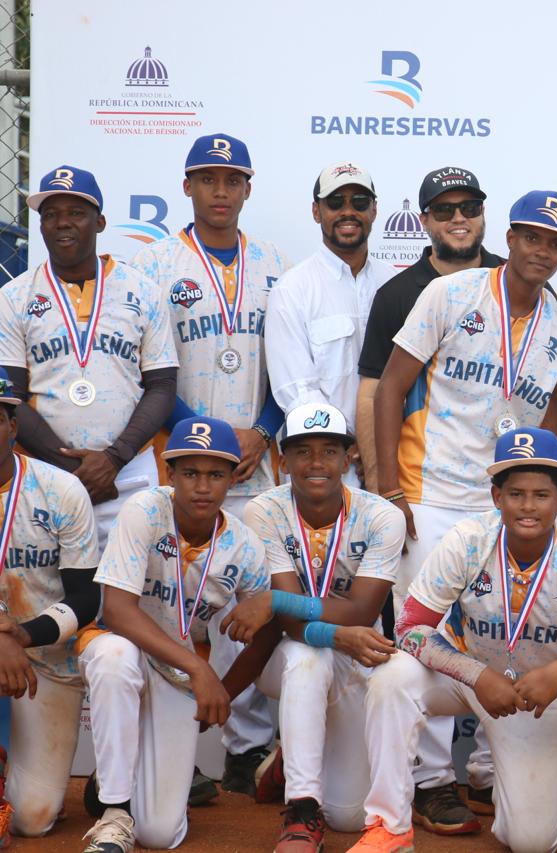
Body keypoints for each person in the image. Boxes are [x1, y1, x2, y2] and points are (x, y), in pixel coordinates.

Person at [350, 427, 557, 853]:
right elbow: (410, 627)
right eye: (515, 494)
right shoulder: (468, 539)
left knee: (531, 842)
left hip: (537, 692)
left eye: (541, 494)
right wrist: (476, 674)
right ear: (497, 497)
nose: (528, 506)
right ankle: (388, 825)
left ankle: (520, 793)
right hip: (463, 675)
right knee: (392, 677)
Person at [129, 131, 286, 798]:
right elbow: (153, 367)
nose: (220, 191)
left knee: (249, 606)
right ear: (187, 187)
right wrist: (213, 440)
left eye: (232, 179)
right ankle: (182, 750)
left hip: (259, 459)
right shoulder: (158, 264)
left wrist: (267, 430)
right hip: (190, 461)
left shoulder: (278, 264)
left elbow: (293, 364)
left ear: (248, 188)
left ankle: (249, 747)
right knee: (177, 605)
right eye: (207, 179)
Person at [216, 402, 404, 853]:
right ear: (283, 461)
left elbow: (361, 610)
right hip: (291, 656)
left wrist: (278, 600)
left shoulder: (381, 516)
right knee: (307, 656)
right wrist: (329, 631)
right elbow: (287, 625)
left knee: (349, 816)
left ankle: (292, 756)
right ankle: (301, 809)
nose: (316, 463)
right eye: (302, 451)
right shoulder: (265, 510)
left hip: (359, 656)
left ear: (349, 457)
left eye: (329, 451)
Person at [78, 417, 271, 853]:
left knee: (161, 834)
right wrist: (200, 671)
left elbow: (266, 635)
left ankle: (113, 781)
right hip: (125, 648)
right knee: (114, 658)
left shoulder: (245, 544)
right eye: (191, 473)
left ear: (232, 478)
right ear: (170, 475)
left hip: (179, 677)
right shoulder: (144, 510)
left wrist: (221, 688)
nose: (202, 486)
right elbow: (118, 611)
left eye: (216, 474)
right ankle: (114, 812)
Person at [0, 166, 178, 550]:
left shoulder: (143, 291)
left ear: (99, 222)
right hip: (47, 473)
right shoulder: (14, 297)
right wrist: (71, 470)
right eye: (50, 214)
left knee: (138, 590)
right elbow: (10, 395)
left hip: (129, 472)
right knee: (52, 593)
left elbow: (162, 386)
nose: (62, 223)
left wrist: (113, 459)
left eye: (75, 213)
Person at [356, 166, 505, 492]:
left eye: (469, 208)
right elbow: (372, 392)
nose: (458, 218)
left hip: (504, 478)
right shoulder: (396, 294)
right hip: (426, 484)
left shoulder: (514, 280)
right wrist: (379, 480)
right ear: (423, 220)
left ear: (482, 213)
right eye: (443, 210)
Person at [0, 368, 101, 846]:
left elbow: (87, 596)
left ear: (13, 425)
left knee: (31, 818)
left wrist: (21, 635)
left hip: (47, 661)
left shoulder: (60, 489)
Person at [266, 161, 394, 451]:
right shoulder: (291, 290)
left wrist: (377, 447)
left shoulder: (396, 283)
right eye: (335, 202)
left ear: (374, 210)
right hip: (326, 459)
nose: (348, 211)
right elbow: (297, 390)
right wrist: (347, 443)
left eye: (359, 202)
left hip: (393, 456)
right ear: (316, 211)